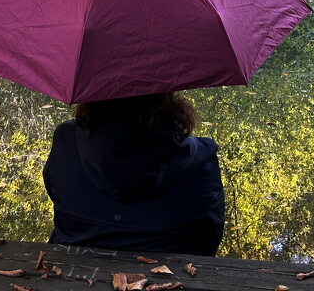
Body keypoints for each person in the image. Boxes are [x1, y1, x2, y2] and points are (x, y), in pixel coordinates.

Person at [42, 92, 225, 256]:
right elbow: (210, 237)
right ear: (165, 96)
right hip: (172, 276)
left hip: (71, 273)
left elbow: (57, 197)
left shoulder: (66, 141)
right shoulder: (201, 157)